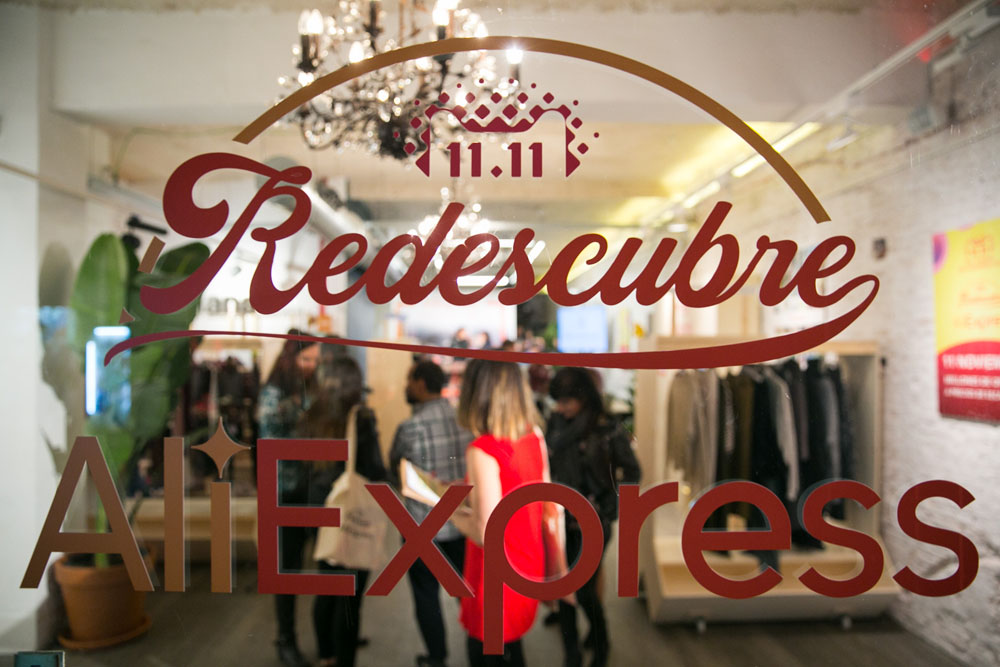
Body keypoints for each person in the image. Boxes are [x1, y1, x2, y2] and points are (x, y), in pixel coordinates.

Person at [456, 360, 549, 667]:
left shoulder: (483, 450)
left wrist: (446, 511)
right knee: (512, 649)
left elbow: (487, 533)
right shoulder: (533, 436)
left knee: (487, 653)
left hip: (496, 577)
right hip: (527, 564)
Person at [546, 367, 641, 667]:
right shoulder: (556, 425)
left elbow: (632, 471)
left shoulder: (607, 428)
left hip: (594, 521)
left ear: (584, 397)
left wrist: (610, 506)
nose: (561, 407)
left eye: (567, 401)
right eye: (558, 401)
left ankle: (601, 646)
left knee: (585, 591)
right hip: (562, 519)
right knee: (563, 589)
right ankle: (571, 654)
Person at [299, 355, 386, 667]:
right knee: (350, 594)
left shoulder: (311, 413)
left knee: (327, 584)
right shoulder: (360, 417)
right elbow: (374, 468)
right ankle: (344, 659)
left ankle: (326, 654)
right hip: (350, 509)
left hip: (317, 506)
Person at [389, 359, 472, 667]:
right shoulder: (464, 421)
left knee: (426, 595)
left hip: (423, 529)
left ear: (422, 384)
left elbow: (394, 468)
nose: (406, 386)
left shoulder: (409, 427)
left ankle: (437, 657)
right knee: (468, 592)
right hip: (462, 525)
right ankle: (483, 647)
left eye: (410, 380)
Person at [257, 330, 320, 667]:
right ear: (290, 360)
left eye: (315, 360)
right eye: (306, 358)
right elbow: (270, 427)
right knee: (289, 569)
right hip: (284, 491)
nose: (312, 365)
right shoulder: (275, 393)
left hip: (310, 488)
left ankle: (330, 635)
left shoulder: (307, 388)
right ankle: (286, 639)